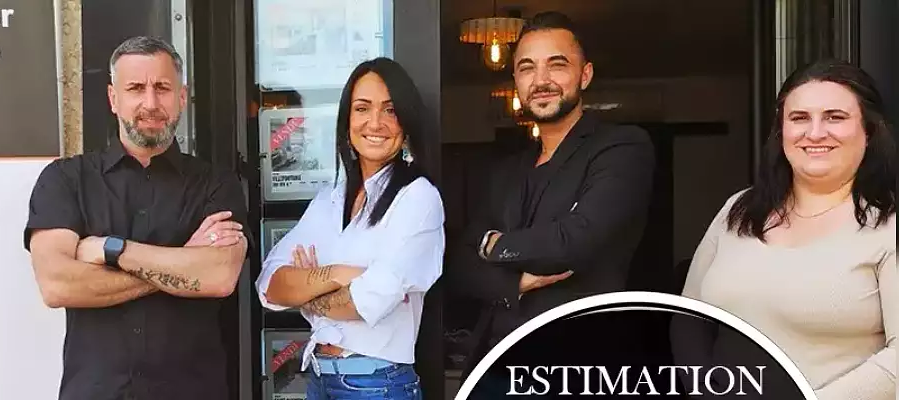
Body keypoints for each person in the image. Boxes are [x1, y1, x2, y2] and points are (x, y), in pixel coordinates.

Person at [23, 36, 248, 400]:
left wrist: (110, 250)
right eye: (135, 88)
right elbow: (57, 284)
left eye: (162, 88)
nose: (151, 103)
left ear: (182, 97)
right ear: (113, 99)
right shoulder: (65, 180)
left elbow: (218, 276)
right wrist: (183, 263)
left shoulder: (216, 184)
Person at [447, 11, 656, 396]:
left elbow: (573, 243)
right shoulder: (506, 171)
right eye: (527, 68)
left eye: (556, 65)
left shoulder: (620, 148)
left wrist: (493, 246)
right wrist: (515, 281)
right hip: (494, 371)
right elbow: (460, 264)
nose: (540, 80)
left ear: (585, 75)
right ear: (516, 81)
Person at [673, 59, 896, 399]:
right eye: (799, 118)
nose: (815, 133)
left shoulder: (889, 224)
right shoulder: (739, 209)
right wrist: (704, 391)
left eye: (835, 117)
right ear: (781, 131)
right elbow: (688, 318)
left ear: (869, 130)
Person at [255, 57, 444, 400]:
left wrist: (307, 292)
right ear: (347, 122)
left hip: (378, 385)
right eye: (362, 108)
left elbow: (367, 301)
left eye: (390, 110)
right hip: (319, 380)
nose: (375, 122)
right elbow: (269, 286)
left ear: (407, 124)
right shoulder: (329, 199)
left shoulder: (418, 198)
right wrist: (338, 274)